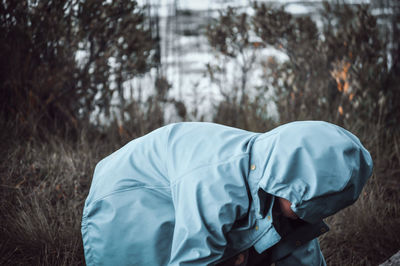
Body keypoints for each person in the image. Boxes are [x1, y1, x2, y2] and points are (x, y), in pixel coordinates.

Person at [81, 121, 373, 265]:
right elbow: (193, 259)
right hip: (126, 199)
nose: (306, 215)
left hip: (175, 185)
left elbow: (298, 247)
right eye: (304, 205)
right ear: (287, 181)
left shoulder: (274, 172)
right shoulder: (217, 182)